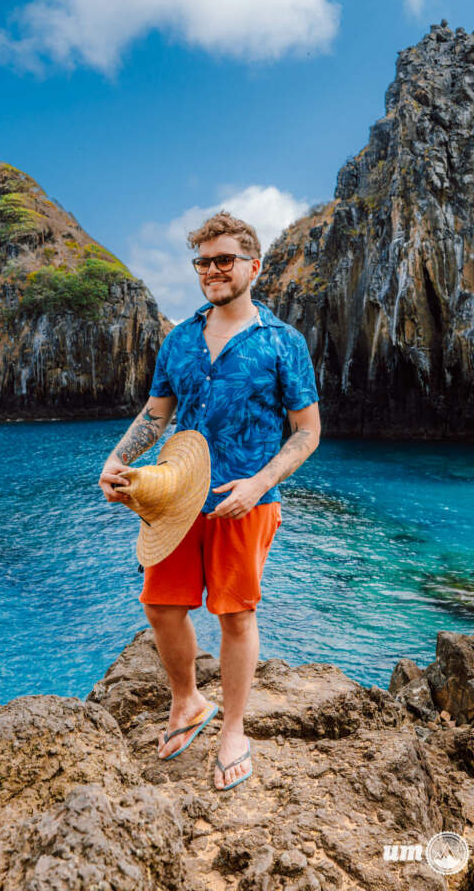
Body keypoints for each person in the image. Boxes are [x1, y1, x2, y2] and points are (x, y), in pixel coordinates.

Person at [98, 210, 320, 790]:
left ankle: (234, 729)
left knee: (236, 614)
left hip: (245, 499)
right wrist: (118, 458)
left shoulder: (282, 343)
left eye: (225, 260)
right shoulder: (179, 339)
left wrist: (259, 485)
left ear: (254, 265)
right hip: (177, 493)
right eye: (204, 261)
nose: (214, 271)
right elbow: (156, 414)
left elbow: (307, 431)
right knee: (161, 605)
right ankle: (188, 702)